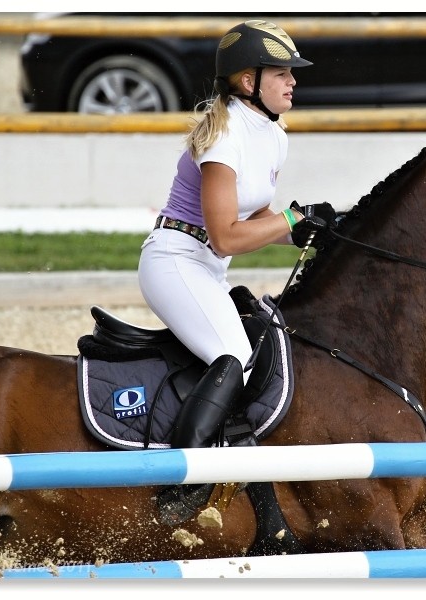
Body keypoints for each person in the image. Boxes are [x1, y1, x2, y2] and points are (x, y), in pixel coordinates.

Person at [138, 21, 336, 460]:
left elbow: (253, 213)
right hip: (175, 261)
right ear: (250, 81)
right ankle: (181, 481)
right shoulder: (225, 137)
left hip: (205, 266)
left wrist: (301, 230)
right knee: (234, 358)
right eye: (282, 73)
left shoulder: (274, 134)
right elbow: (226, 236)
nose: (293, 81)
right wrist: (290, 217)